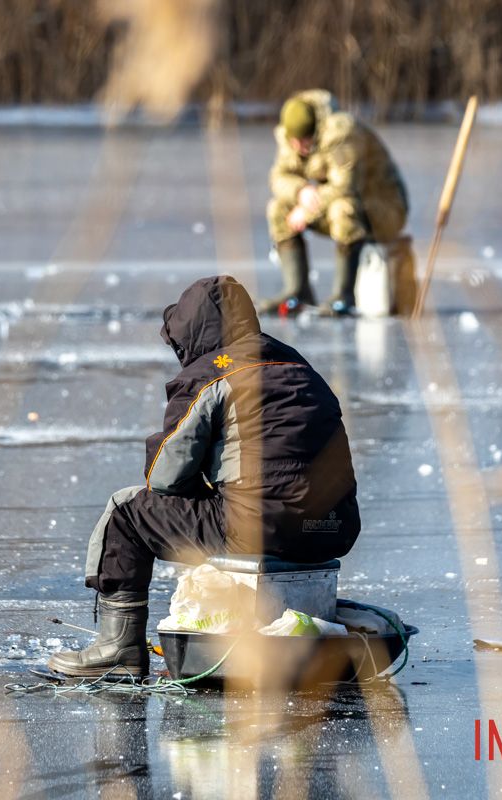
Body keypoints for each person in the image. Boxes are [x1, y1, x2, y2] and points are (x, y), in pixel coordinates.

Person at [48, 275, 361, 678]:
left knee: (125, 513)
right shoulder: (300, 367)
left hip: (258, 525)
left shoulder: (209, 375)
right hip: (333, 529)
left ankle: (119, 648)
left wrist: (203, 482)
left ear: (193, 332)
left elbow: (164, 476)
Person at [261, 89, 415, 317]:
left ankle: (344, 296)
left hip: (384, 208)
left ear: (314, 130)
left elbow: (345, 187)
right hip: (340, 202)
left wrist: (305, 211)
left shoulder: (342, 133)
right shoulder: (290, 137)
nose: (299, 147)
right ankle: (297, 291)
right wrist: (300, 191)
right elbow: (279, 177)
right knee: (278, 209)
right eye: (294, 141)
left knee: (342, 210)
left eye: (304, 141)